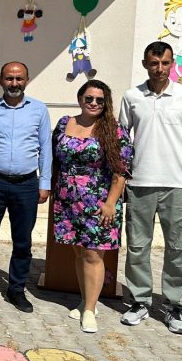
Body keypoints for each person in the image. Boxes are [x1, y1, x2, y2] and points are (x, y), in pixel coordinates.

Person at [118, 41, 182, 335]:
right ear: (145, 64)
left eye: (165, 63)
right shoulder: (132, 96)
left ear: (171, 64)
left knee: (176, 249)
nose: (160, 68)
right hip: (140, 183)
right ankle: (140, 301)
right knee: (138, 247)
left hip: (177, 185)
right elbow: (123, 141)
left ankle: (172, 305)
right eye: (154, 63)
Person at [0, 62, 52, 313]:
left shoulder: (38, 110)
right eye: (9, 79)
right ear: (0, 80)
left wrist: (44, 182)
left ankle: (16, 289)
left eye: (19, 79)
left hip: (26, 183)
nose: (14, 83)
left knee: (23, 241)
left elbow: (45, 148)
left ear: (27, 79)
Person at [51, 81, 133, 333]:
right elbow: (55, 158)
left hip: (98, 202)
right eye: (89, 98)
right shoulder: (65, 123)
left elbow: (121, 171)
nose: (94, 103)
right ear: (80, 99)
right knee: (78, 252)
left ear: (106, 102)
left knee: (94, 254)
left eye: (99, 100)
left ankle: (89, 310)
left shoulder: (114, 130)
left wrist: (111, 203)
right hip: (68, 201)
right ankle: (87, 300)